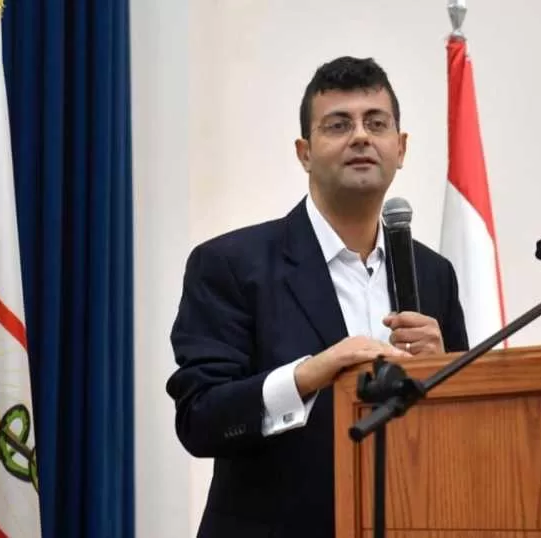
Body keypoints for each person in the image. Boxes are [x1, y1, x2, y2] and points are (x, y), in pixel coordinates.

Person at [166, 56, 469, 538]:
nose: (361, 136)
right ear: (304, 153)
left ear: (401, 148)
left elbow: (462, 431)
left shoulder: (433, 274)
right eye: (338, 125)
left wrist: (443, 370)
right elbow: (200, 420)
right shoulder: (230, 264)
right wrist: (309, 374)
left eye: (376, 123)